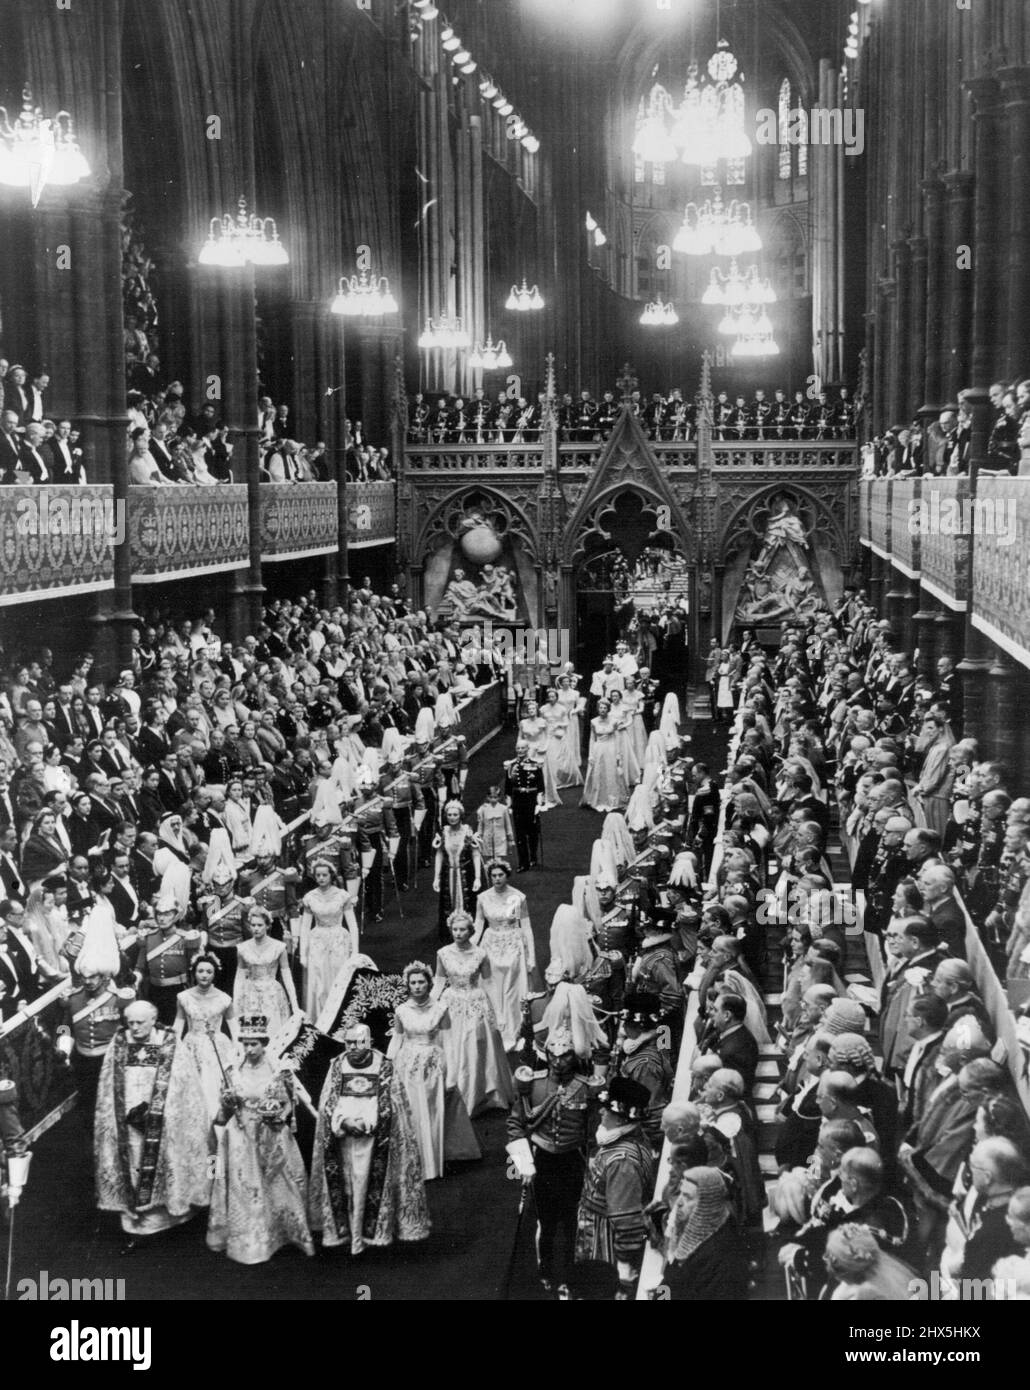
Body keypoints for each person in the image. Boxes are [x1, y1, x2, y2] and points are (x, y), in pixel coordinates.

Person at [93, 999, 211, 1248]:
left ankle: (167, 1217)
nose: (134, 1028)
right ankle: (135, 1221)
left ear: (153, 1021)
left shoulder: (168, 1041)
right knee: (133, 1163)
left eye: (139, 1023)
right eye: (130, 1022)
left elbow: (184, 1083)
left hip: (163, 1119)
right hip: (126, 1121)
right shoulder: (120, 1041)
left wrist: (162, 1112)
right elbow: (108, 1083)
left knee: (165, 1164)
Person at [309, 1021, 430, 1254]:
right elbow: (327, 1101)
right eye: (349, 1042)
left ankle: (369, 1238)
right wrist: (343, 1121)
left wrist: (366, 1121)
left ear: (369, 1042)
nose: (353, 1047)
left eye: (359, 1042)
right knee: (347, 1185)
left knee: (365, 1183)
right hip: (343, 1137)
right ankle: (349, 1237)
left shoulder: (384, 1066)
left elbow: (395, 1104)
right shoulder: (337, 1066)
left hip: (373, 1140)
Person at [206, 1012, 314, 1265]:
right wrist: (227, 1102)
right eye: (245, 1043)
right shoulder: (232, 1071)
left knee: (279, 1185)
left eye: (254, 1044)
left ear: (264, 1043)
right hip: (240, 1137)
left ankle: (284, 1234)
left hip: (272, 1134)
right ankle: (249, 1242)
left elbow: (289, 1105)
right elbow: (223, 1114)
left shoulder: (280, 1070)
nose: (249, 1049)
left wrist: (278, 1114)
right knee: (244, 1187)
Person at [506, 1025, 601, 1293]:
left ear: (575, 1057)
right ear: (546, 1054)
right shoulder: (533, 1084)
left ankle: (571, 1272)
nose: (559, 1061)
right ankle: (545, 1269)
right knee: (545, 1222)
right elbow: (515, 1123)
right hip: (543, 1161)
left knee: (573, 1223)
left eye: (566, 1055)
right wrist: (524, 1164)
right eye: (554, 1055)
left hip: (574, 1160)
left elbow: (592, 1129)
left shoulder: (585, 1087)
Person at [387, 960, 480, 1179]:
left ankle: (431, 1164)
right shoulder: (401, 1010)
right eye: (413, 983)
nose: (417, 986)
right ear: (407, 985)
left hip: (432, 1067)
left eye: (421, 982)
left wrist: (452, 1076)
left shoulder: (440, 1009)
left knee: (431, 1112)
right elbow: (397, 1039)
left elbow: (449, 1042)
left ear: (429, 984)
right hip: (407, 1066)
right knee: (410, 1111)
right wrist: (387, 1064)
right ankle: (412, 1161)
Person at [575, 1076, 657, 1297]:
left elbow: (627, 1221)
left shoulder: (622, 1162)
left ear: (622, 1120)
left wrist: (623, 1266)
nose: (601, 1113)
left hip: (606, 1247)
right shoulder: (629, 1141)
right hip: (599, 1237)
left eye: (608, 1111)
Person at [434, 909, 513, 1116]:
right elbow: (439, 982)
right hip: (451, 1003)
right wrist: (429, 1007)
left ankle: (476, 1096)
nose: (458, 933)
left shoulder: (480, 954)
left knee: (473, 1047)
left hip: (476, 1004)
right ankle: (452, 1093)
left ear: (470, 931)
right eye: (454, 929)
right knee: (451, 1045)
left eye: (462, 930)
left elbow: (489, 983)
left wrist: (500, 1014)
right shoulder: (443, 953)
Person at [660, 1165, 750, 1301]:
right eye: (680, 1194)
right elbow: (669, 1281)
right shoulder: (696, 1233)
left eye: (687, 1197)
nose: (678, 1203)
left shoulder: (723, 1259)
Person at [474, 859, 535, 1050]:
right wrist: (470, 951)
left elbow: (526, 926)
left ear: (506, 876)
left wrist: (531, 955)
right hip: (490, 944)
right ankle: (494, 1031)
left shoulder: (517, 897)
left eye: (500, 875)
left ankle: (511, 1032)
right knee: (491, 987)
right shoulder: (482, 898)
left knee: (511, 991)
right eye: (493, 875)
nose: (497, 879)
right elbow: (477, 925)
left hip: (512, 945)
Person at [172, 953, 238, 1129]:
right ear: (194, 973)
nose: (204, 975)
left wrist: (238, 1051)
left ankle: (216, 1125)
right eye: (200, 971)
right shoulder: (183, 997)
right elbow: (178, 1025)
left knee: (215, 1086)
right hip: (192, 1044)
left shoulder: (224, 999)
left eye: (209, 971)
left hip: (218, 1047)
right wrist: (172, 1047)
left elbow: (235, 1029)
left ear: (214, 974)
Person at [299, 860, 358, 1020]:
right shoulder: (310, 897)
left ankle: (338, 1018)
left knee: (337, 979)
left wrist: (355, 953)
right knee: (319, 982)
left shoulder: (342, 895)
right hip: (317, 941)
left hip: (338, 941)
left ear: (331, 875)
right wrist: (303, 954)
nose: (321, 878)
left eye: (324, 875)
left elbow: (352, 925)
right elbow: (304, 927)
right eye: (318, 875)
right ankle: (319, 1019)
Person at [234, 905, 298, 1046]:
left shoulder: (279, 947)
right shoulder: (243, 948)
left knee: (273, 1034)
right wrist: (236, 1003)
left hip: (272, 995)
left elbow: (287, 977)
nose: (256, 928)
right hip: (250, 994)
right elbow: (239, 978)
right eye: (253, 925)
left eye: (260, 925)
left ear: (267, 926)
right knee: (252, 1036)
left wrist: (295, 1005)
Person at [433, 799, 482, 944]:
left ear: (460, 815)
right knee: (449, 904)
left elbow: (475, 853)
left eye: (455, 814)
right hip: (448, 874)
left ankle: (468, 932)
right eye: (449, 815)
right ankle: (451, 933)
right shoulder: (444, 832)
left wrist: (478, 877)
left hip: (465, 873)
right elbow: (440, 854)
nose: (452, 817)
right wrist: (436, 877)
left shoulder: (467, 832)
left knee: (468, 903)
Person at [581, 698, 630, 813]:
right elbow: (592, 739)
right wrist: (590, 755)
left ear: (608, 709)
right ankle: (596, 798)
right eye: (601, 708)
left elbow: (617, 738)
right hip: (598, 748)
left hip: (610, 748)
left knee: (610, 772)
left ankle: (612, 799)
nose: (602, 710)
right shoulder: (593, 721)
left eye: (605, 708)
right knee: (598, 772)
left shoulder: (614, 721)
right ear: (598, 709)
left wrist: (618, 753)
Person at [504, 741, 545, 871]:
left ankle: (533, 856)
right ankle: (523, 862)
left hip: (531, 800)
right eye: (518, 748)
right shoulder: (511, 766)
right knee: (519, 833)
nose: (520, 750)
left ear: (527, 749)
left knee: (532, 831)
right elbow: (508, 788)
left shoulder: (535, 764)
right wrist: (509, 805)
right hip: (518, 801)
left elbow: (540, 786)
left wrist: (539, 803)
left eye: (523, 748)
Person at [476, 784, 516, 865]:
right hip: (487, 837)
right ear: (487, 797)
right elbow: (481, 824)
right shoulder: (483, 809)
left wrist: (510, 839)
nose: (493, 799)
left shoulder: (503, 809)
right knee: (489, 858)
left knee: (500, 858)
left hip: (500, 837)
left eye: (495, 797)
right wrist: (479, 836)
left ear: (499, 798)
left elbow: (507, 825)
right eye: (491, 797)